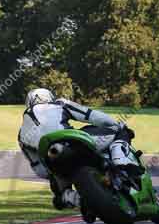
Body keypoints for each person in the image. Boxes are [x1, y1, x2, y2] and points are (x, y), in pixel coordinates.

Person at [17, 88, 142, 217]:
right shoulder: (59, 104)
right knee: (121, 131)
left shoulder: (21, 135)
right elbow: (91, 115)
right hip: (73, 143)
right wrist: (116, 124)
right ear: (49, 97)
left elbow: (39, 169)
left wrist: (54, 176)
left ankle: (74, 199)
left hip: (53, 161)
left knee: (58, 198)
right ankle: (122, 163)